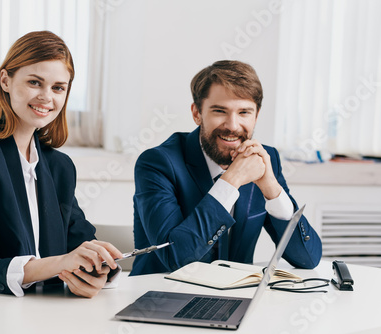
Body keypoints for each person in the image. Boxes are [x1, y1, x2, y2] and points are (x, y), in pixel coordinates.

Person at [0, 31, 122, 297]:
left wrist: (98, 269)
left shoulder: (59, 167)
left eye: (58, 87)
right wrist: (59, 263)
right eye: (35, 82)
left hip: (41, 313)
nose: (47, 97)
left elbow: (79, 240)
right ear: (5, 80)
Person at [130, 60, 322, 276]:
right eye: (220, 111)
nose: (232, 125)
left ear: (256, 116)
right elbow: (177, 259)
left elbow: (308, 258)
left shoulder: (265, 159)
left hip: (236, 299)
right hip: (160, 298)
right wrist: (232, 180)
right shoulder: (158, 163)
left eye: (244, 113)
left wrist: (271, 188)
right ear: (197, 114)